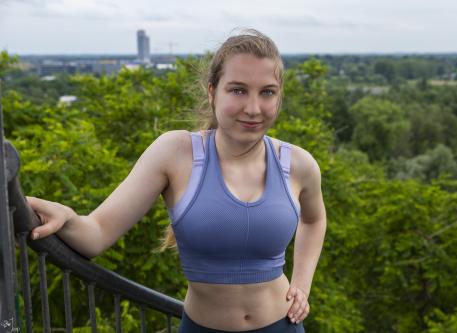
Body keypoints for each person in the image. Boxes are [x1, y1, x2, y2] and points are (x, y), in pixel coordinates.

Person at [27, 29, 327, 333]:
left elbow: (314, 221)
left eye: (267, 92)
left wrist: (302, 283)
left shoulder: (298, 164)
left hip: (283, 327)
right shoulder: (176, 154)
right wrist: (66, 218)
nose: (253, 108)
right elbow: (98, 233)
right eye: (237, 90)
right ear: (212, 92)